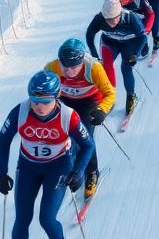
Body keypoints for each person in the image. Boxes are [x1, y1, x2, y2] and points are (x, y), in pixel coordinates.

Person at [0, 70, 94, 239]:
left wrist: (78, 171)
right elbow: (2, 142)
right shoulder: (20, 112)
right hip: (28, 167)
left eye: (45, 100)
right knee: (22, 218)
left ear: (56, 96)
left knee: (47, 219)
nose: (38, 105)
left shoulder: (68, 116)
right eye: (35, 99)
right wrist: (3, 174)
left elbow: (88, 145)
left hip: (58, 168)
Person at [45, 38, 115, 198]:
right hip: (66, 100)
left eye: (74, 68)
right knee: (66, 135)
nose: (68, 72)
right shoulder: (52, 68)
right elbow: (44, 92)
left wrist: (101, 111)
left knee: (85, 137)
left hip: (89, 102)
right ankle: (72, 165)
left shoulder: (93, 68)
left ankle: (92, 172)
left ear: (82, 62)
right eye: (65, 66)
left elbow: (110, 93)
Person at [85, 0, 147, 118]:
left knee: (126, 68)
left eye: (114, 19)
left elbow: (142, 37)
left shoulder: (130, 17)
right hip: (110, 42)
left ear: (120, 13)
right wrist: (93, 52)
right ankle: (109, 97)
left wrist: (135, 54)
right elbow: (89, 33)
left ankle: (131, 96)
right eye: (108, 19)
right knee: (105, 67)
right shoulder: (99, 18)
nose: (111, 22)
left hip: (130, 43)